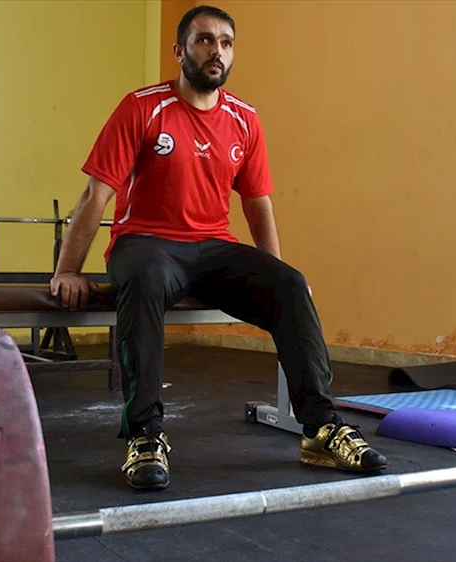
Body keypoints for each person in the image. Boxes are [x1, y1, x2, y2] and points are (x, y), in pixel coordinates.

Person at [50, 4, 388, 490]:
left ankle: (321, 428)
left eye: (226, 43)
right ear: (180, 51)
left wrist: (274, 279)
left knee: (291, 283)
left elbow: (257, 203)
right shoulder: (143, 107)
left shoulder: (244, 120)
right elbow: (95, 195)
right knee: (144, 278)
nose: (217, 51)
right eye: (205, 40)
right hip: (146, 243)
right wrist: (67, 270)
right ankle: (144, 434)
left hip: (212, 247)